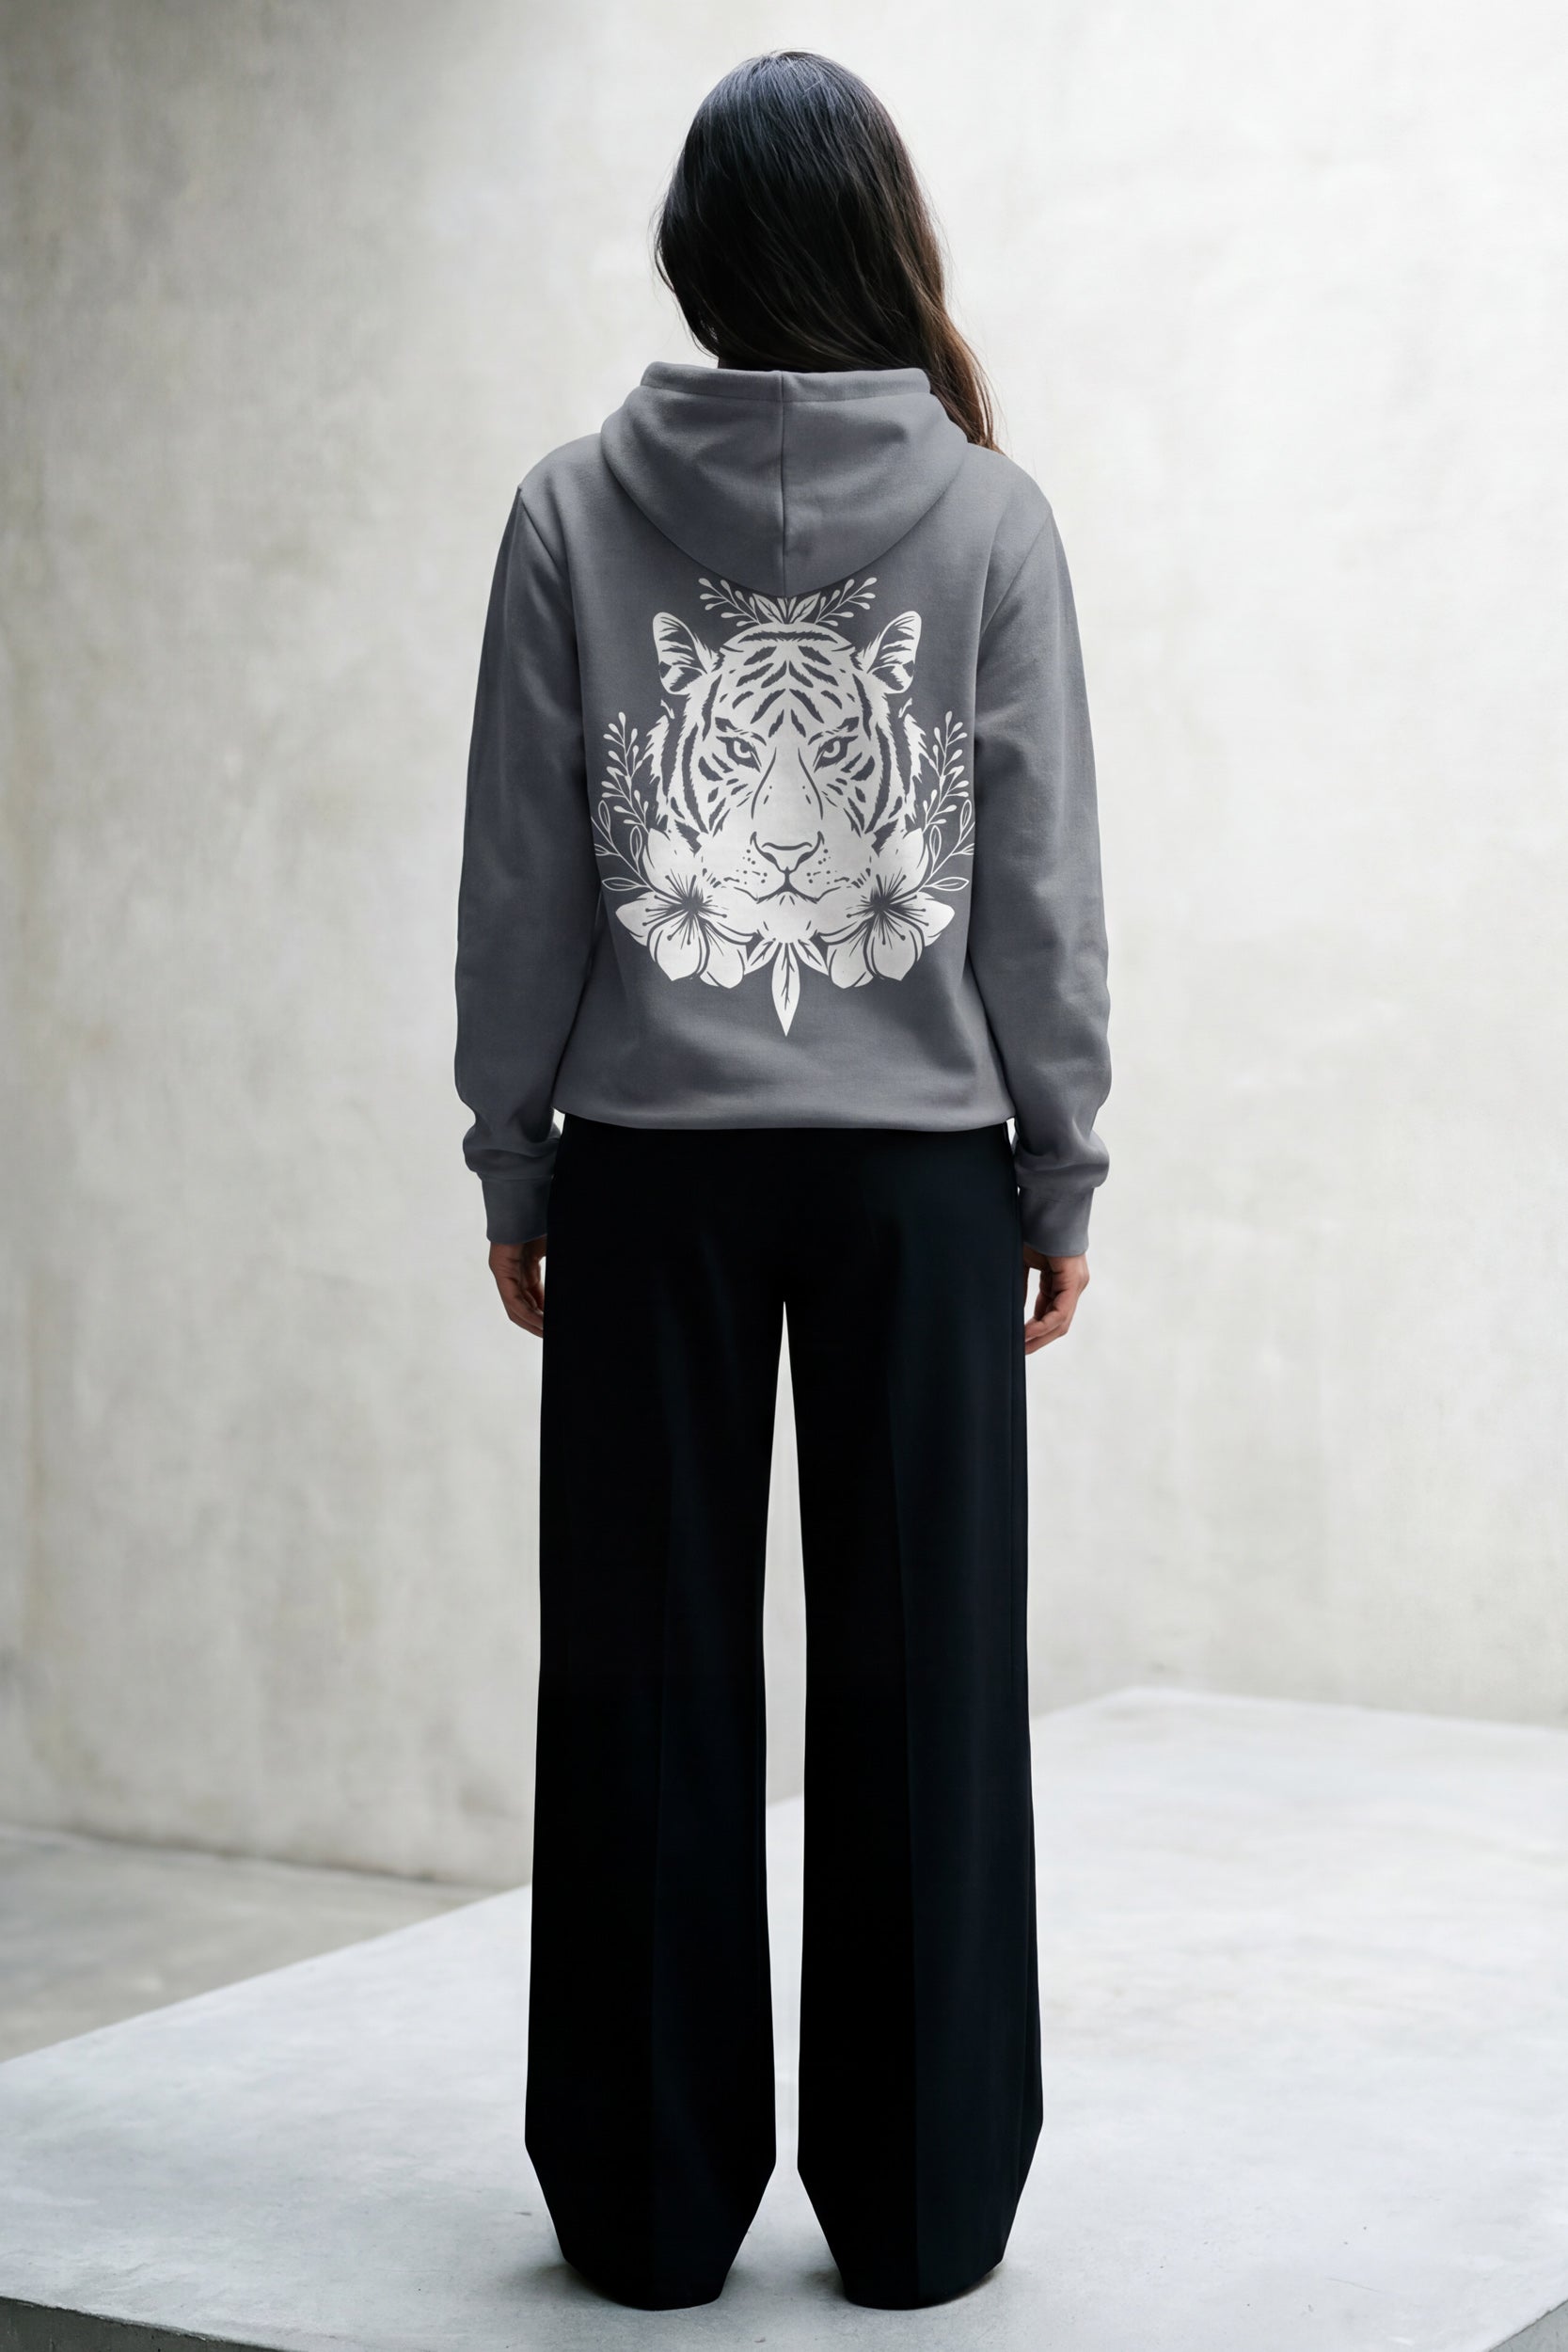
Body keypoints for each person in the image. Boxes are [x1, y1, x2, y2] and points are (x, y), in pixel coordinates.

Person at [452, 48, 1111, 2315]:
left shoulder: (570, 510)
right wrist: (1059, 1165)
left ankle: (642, 2202)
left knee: (641, 1681)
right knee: (931, 1685)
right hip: (924, 1183)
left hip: (651, 1178)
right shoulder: (992, 518)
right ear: (882, 247)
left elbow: (522, 879)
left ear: (697, 260)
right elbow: (1039, 888)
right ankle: (927, 2204)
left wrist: (515, 1145)